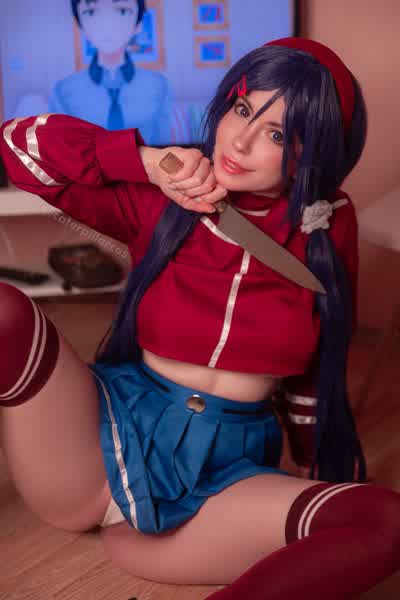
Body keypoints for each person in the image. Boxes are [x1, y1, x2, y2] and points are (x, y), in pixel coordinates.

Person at [1, 37, 399, 599]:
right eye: (242, 109)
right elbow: (17, 148)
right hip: (99, 441)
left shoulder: (327, 227)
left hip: (224, 475)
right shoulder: (168, 192)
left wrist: (319, 468)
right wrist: (146, 162)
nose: (239, 140)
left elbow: (318, 360)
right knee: (5, 311)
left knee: (383, 522)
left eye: (277, 133)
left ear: (316, 151)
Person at [49, 0, 173, 144]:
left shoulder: (158, 85)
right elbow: (62, 148)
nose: (107, 24)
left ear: (138, 25)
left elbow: (164, 145)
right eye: (91, 12)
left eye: (122, 11)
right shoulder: (63, 91)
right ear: (81, 26)